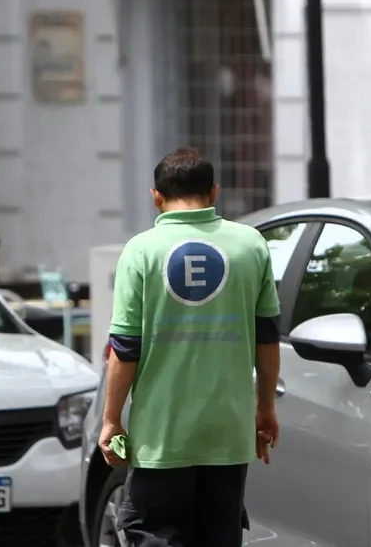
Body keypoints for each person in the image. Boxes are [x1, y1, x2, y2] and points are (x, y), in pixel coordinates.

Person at [99, 147, 281, 547]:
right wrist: (265, 407)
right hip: (228, 436)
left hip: (161, 437)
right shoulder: (251, 246)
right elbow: (267, 339)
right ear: (214, 192)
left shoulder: (141, 251)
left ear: (156, 196)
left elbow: (125, 348)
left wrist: (111, 419)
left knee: (155, 535)